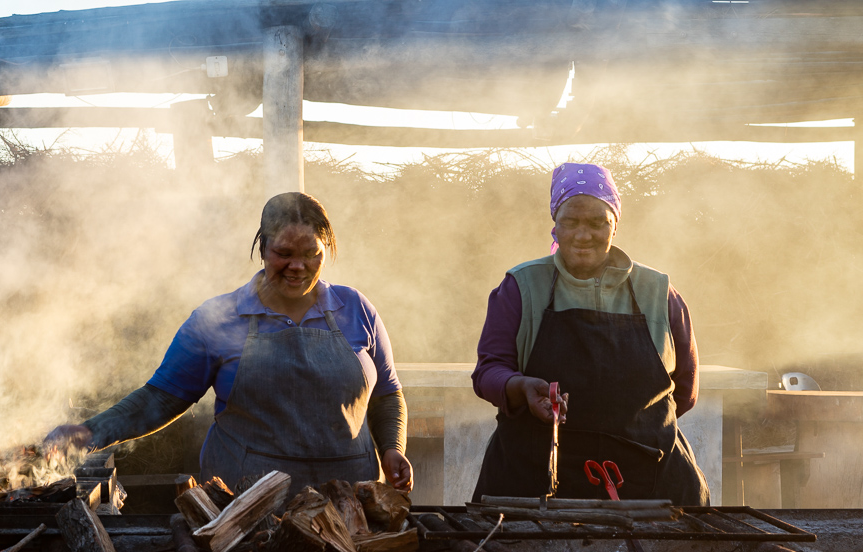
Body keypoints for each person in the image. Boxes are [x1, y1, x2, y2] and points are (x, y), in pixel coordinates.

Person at [47, 192, 413, 494]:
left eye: (311, 254)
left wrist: (393, 449)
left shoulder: (357, 309)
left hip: (348, 505)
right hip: (244, 509)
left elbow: (387, 395)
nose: (297, 266)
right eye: (284, 253)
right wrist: (90, 432)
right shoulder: (218, 318)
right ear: (262, 248)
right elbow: (160, 399)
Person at [470, 163, 709, 505]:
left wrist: (632, 432)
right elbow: (488, 371)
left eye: (598, 222)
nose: (583, 235)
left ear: (615, 224)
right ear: (555, 225)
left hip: (649, 486)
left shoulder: (658, 292)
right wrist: (520, 387)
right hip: (534, 481)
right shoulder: (521, 286)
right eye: (570, 222)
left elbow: (684, 391)